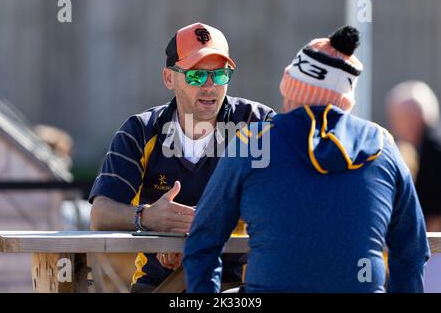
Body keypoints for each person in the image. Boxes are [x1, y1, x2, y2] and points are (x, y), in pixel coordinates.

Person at [183, 26, 430, 293]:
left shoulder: (252, 142)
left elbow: (203, 241)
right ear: (347, 101)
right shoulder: (384, 145)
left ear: (291, 92)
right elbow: (412, 251)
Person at [88, 22, 276, 292]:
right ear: (169, 78)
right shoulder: (139, 131)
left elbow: (286, 204)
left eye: (220, 75)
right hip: (160, 282)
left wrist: (192, 234)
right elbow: (101, 214)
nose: (210, 87)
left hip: (241, 283)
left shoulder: (259, 124)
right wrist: (150, 219)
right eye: (197, 76)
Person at [386, 81, 441, 232]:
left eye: (395, 118)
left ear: (414, 117)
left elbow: (435, 213)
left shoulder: (435, 151)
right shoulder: (421, 148)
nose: (393, 126)